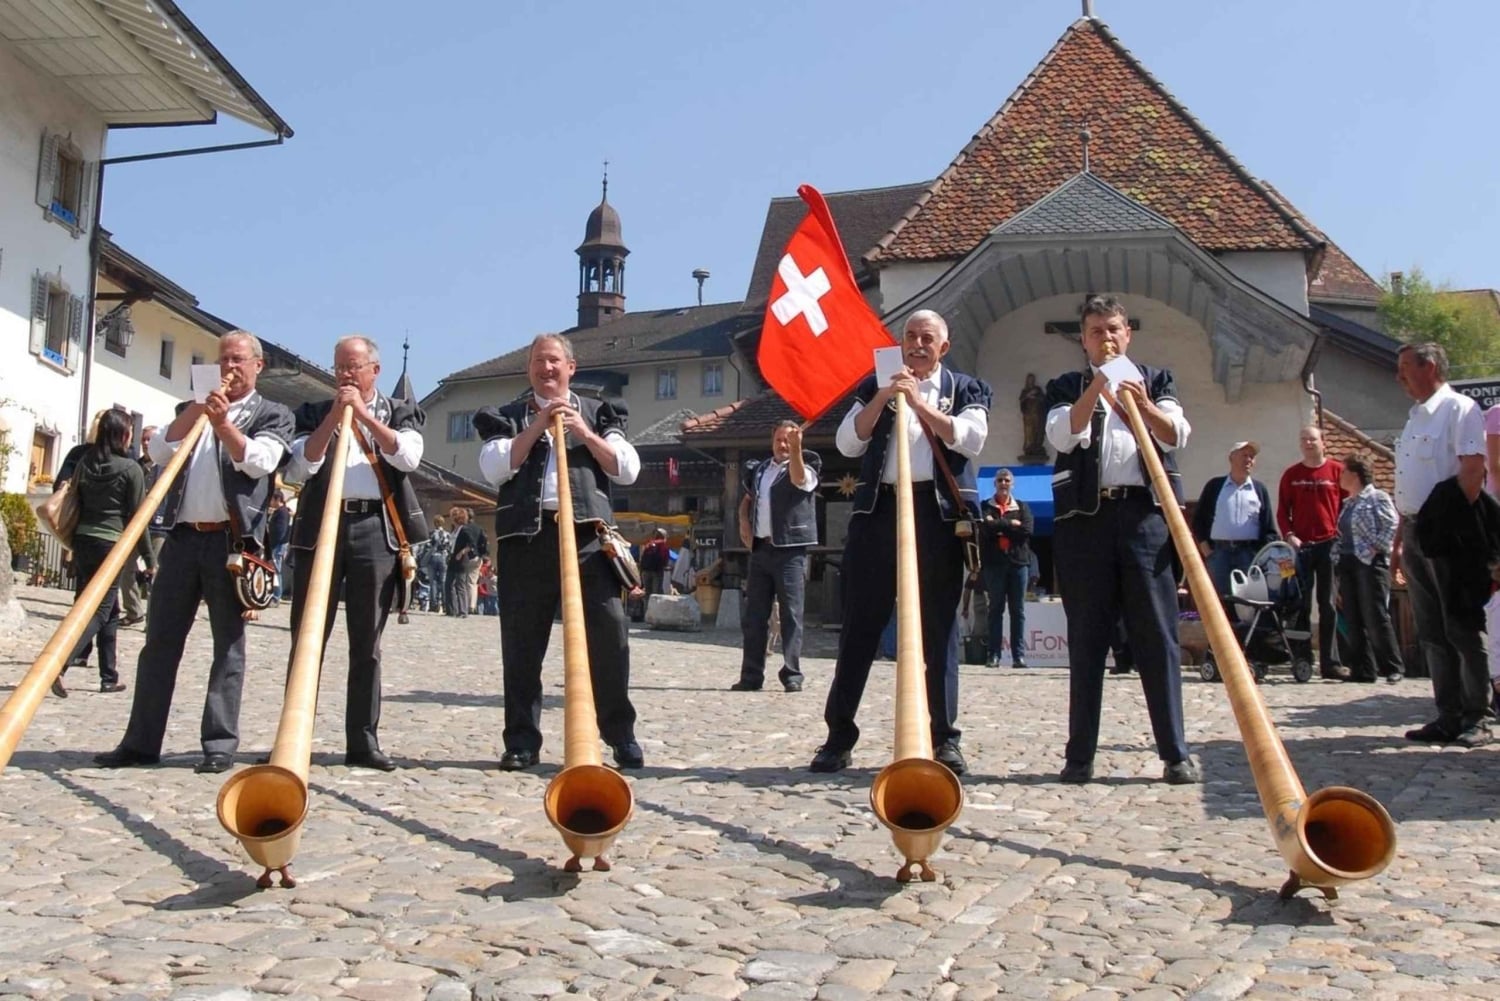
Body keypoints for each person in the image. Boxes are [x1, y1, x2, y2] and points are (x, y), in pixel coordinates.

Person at [94, 331, 294, 774]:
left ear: (257, 366)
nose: (229, 368)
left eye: (239, 360)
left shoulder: (272, 413)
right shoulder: (192, 409)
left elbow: (259, 462)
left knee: (228, 646)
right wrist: (200, 410)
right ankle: (141, 741)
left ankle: (219, 743)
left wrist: (223, 424)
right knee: (159, 642)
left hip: (231, 541)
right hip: (183, 538)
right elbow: (159, 450)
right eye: (223, 359)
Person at [810, 309, 991, 776]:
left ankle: (943, 738)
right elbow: (850, 442)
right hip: (879, 512)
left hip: (937, 514)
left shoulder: (965, 388)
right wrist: (888, 393)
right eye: (910, 335)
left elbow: (970, 439)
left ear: (943, 347)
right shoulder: (875, 384)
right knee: (860, 627)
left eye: (926, 337)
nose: (916, 344)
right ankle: (838, 736)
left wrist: (921, 404)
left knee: (939, 629)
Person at [1044, 294, 1199, 785]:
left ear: (1127, 332)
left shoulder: (1156, 379)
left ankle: (1174, 752)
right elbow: (1062, 436)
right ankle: (1079, 755)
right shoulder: (1067, 385)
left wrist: (1141, 404)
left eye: (1113, 329)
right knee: (1087, 639)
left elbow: (1176, 434)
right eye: (1095, 331)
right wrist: (1097, 386)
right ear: (1083, 339)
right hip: (1084, 523)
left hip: (1143, 517)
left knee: (1157, 635)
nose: (1105, 338)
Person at [475, 333, 644, 771]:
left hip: (588, 539)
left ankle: (620, 736)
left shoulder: (598, 412)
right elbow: (496, 468)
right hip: (526, 542)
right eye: (537, 362)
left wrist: (581, 431)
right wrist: (537, 424)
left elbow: (626, 469)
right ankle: (522, 742)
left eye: (553, 361)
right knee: (522, 645)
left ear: (571, 368)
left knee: (609, 638)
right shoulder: (507, 416)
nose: (545, 369)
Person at [284, 334, 428, 772]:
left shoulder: (400, 411)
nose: (345, 374)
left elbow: (408, 459)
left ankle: (362, 740)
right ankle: (292, 737)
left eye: (354, 367)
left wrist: (363, 415)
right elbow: (298, 466)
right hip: (319, 526)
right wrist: (334, 417)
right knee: (306, 637)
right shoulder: (311, 411)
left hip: (373, 528)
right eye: (340, 367)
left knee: (367, 642)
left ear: (374, 371)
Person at [1392, 343, 1491, 747]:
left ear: (1429, 366)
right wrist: (1401, 536)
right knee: (1431, 629)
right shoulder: (1415, 417)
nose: (1398, 376)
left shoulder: (1459, 410)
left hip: (1447, 532)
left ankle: (1477, 716)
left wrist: (1449, 527)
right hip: (1416, 528)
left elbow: (1472, 471)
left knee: (1462, 626)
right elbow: (1408, 480)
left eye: (1404, 367)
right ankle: (1447, 714)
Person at [53, 409, 156, 697]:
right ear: (124, 435)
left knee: (109, 611)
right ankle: (59, 664)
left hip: (82, 541)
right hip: (111, 545)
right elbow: (139, 518)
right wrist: (150, 559)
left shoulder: (85, 462)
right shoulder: (130, 469)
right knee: (98, 610)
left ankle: (108, 676)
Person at [732, 421, 821, 693]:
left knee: (791, 615)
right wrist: (743, 520)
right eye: (779, 440)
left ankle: (792, 673)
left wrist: (797, 449)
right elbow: (750, 497)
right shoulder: (760, 469)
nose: (783, 445)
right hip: (761, 550)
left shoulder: (806, 465)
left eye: (788, 440)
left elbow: (798, 480)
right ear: (772, 441)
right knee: (754, 616)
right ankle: (751, 676)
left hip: (790, 550)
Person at [1277, 426, 1349, 680]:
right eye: (1304, 439)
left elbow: (1347, 505)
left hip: (1329, 545)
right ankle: (1303, 658)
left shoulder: (1337, 471)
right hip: (1301, 548)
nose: (1308, 443)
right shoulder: (1291, 475)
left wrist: (1341, 533)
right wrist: (1289, 536)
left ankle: (1331, 662)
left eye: (1312, 439)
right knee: (1301, 604)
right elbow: (1282, 512)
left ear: (1323, 442)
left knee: (1328, 604)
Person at [1332, 456, 1404, 684]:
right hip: (1347, 561)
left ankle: (1392, 666)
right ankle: (1362, 669)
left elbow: (1391, 524)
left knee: (1375, 615)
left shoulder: (1377, 497)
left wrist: (1376, 548)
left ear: (1355, 475)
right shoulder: (1348, 504)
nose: (1340, 477)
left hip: (1370, 562)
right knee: (1353, 616)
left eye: (1344, 472)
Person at [1192, 441, 1278, 600]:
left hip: (1248, 554)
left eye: (1252, 457)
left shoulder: (1259, 489)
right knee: (1218, 600)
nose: (1249, 460)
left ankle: (1243, 626)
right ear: (1231, 458)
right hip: (1219, 553)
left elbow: (1268, 527)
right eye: (1244, 455)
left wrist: (1259, 555)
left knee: (1247, 601)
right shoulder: (1215, 486)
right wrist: (1207, 551)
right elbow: (1199, 521)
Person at [979, 469, 1033, 668]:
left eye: (1007, 480)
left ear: (1013, 484)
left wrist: (999, 526)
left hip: (1018, 564)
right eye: (1000, 480)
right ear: (994, 484)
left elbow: (1027, 531)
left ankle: (1018, 656)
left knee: (1018, 611)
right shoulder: (985, 506)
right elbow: (985, 529)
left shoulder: (1023, 507)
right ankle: (994, 655)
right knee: (995, 610)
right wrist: (1011, 524)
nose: (1003, 483)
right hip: (994, 565)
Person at [118, 425, 159, 626]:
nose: (146, 443)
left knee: (155, 570)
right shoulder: (136, 466)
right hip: (135, 524)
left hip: (157, 526)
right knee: (127, 568)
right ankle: (134, 610)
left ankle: (154, 618)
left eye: (150, 439)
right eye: (143, 439)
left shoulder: (165, 465)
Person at [446, 506, 482, 617]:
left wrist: (462, 552)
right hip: (452, 558)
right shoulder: (454, 529)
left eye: (453, 516)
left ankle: (463, 611)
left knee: (460, 585)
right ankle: (451, 610)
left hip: (461, 559)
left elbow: (472, 544)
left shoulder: (464, 529)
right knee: (448, 584)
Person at [265, 489, 291, 606]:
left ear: (277, 499)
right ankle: (273, 594)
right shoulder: (279, 511)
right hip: (275, 544)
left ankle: (276, 596)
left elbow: (280, 531)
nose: (270, 502)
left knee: (276, 571)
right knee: (274, 570)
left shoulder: (282, 512)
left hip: (278, 545)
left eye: (272, 499)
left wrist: (273, 544)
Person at [422, 515, 450, 613]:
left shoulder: (431, 534)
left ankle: (433, 605)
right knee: (443, 582)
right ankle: (445, 604)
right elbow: (449, 547)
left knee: (433, 582)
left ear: (435, 523)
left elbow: (426, 547)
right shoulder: (447, 534)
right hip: (443, 558)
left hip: (433, 557)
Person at [640, 529, 671, 596]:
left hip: (645, 572)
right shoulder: (664, 546)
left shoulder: (649, 544)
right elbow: (665, 560)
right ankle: (654, 606)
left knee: (647, 593)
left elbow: (643, 558)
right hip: (657, 572)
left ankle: (646, 606)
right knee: (655, 594)